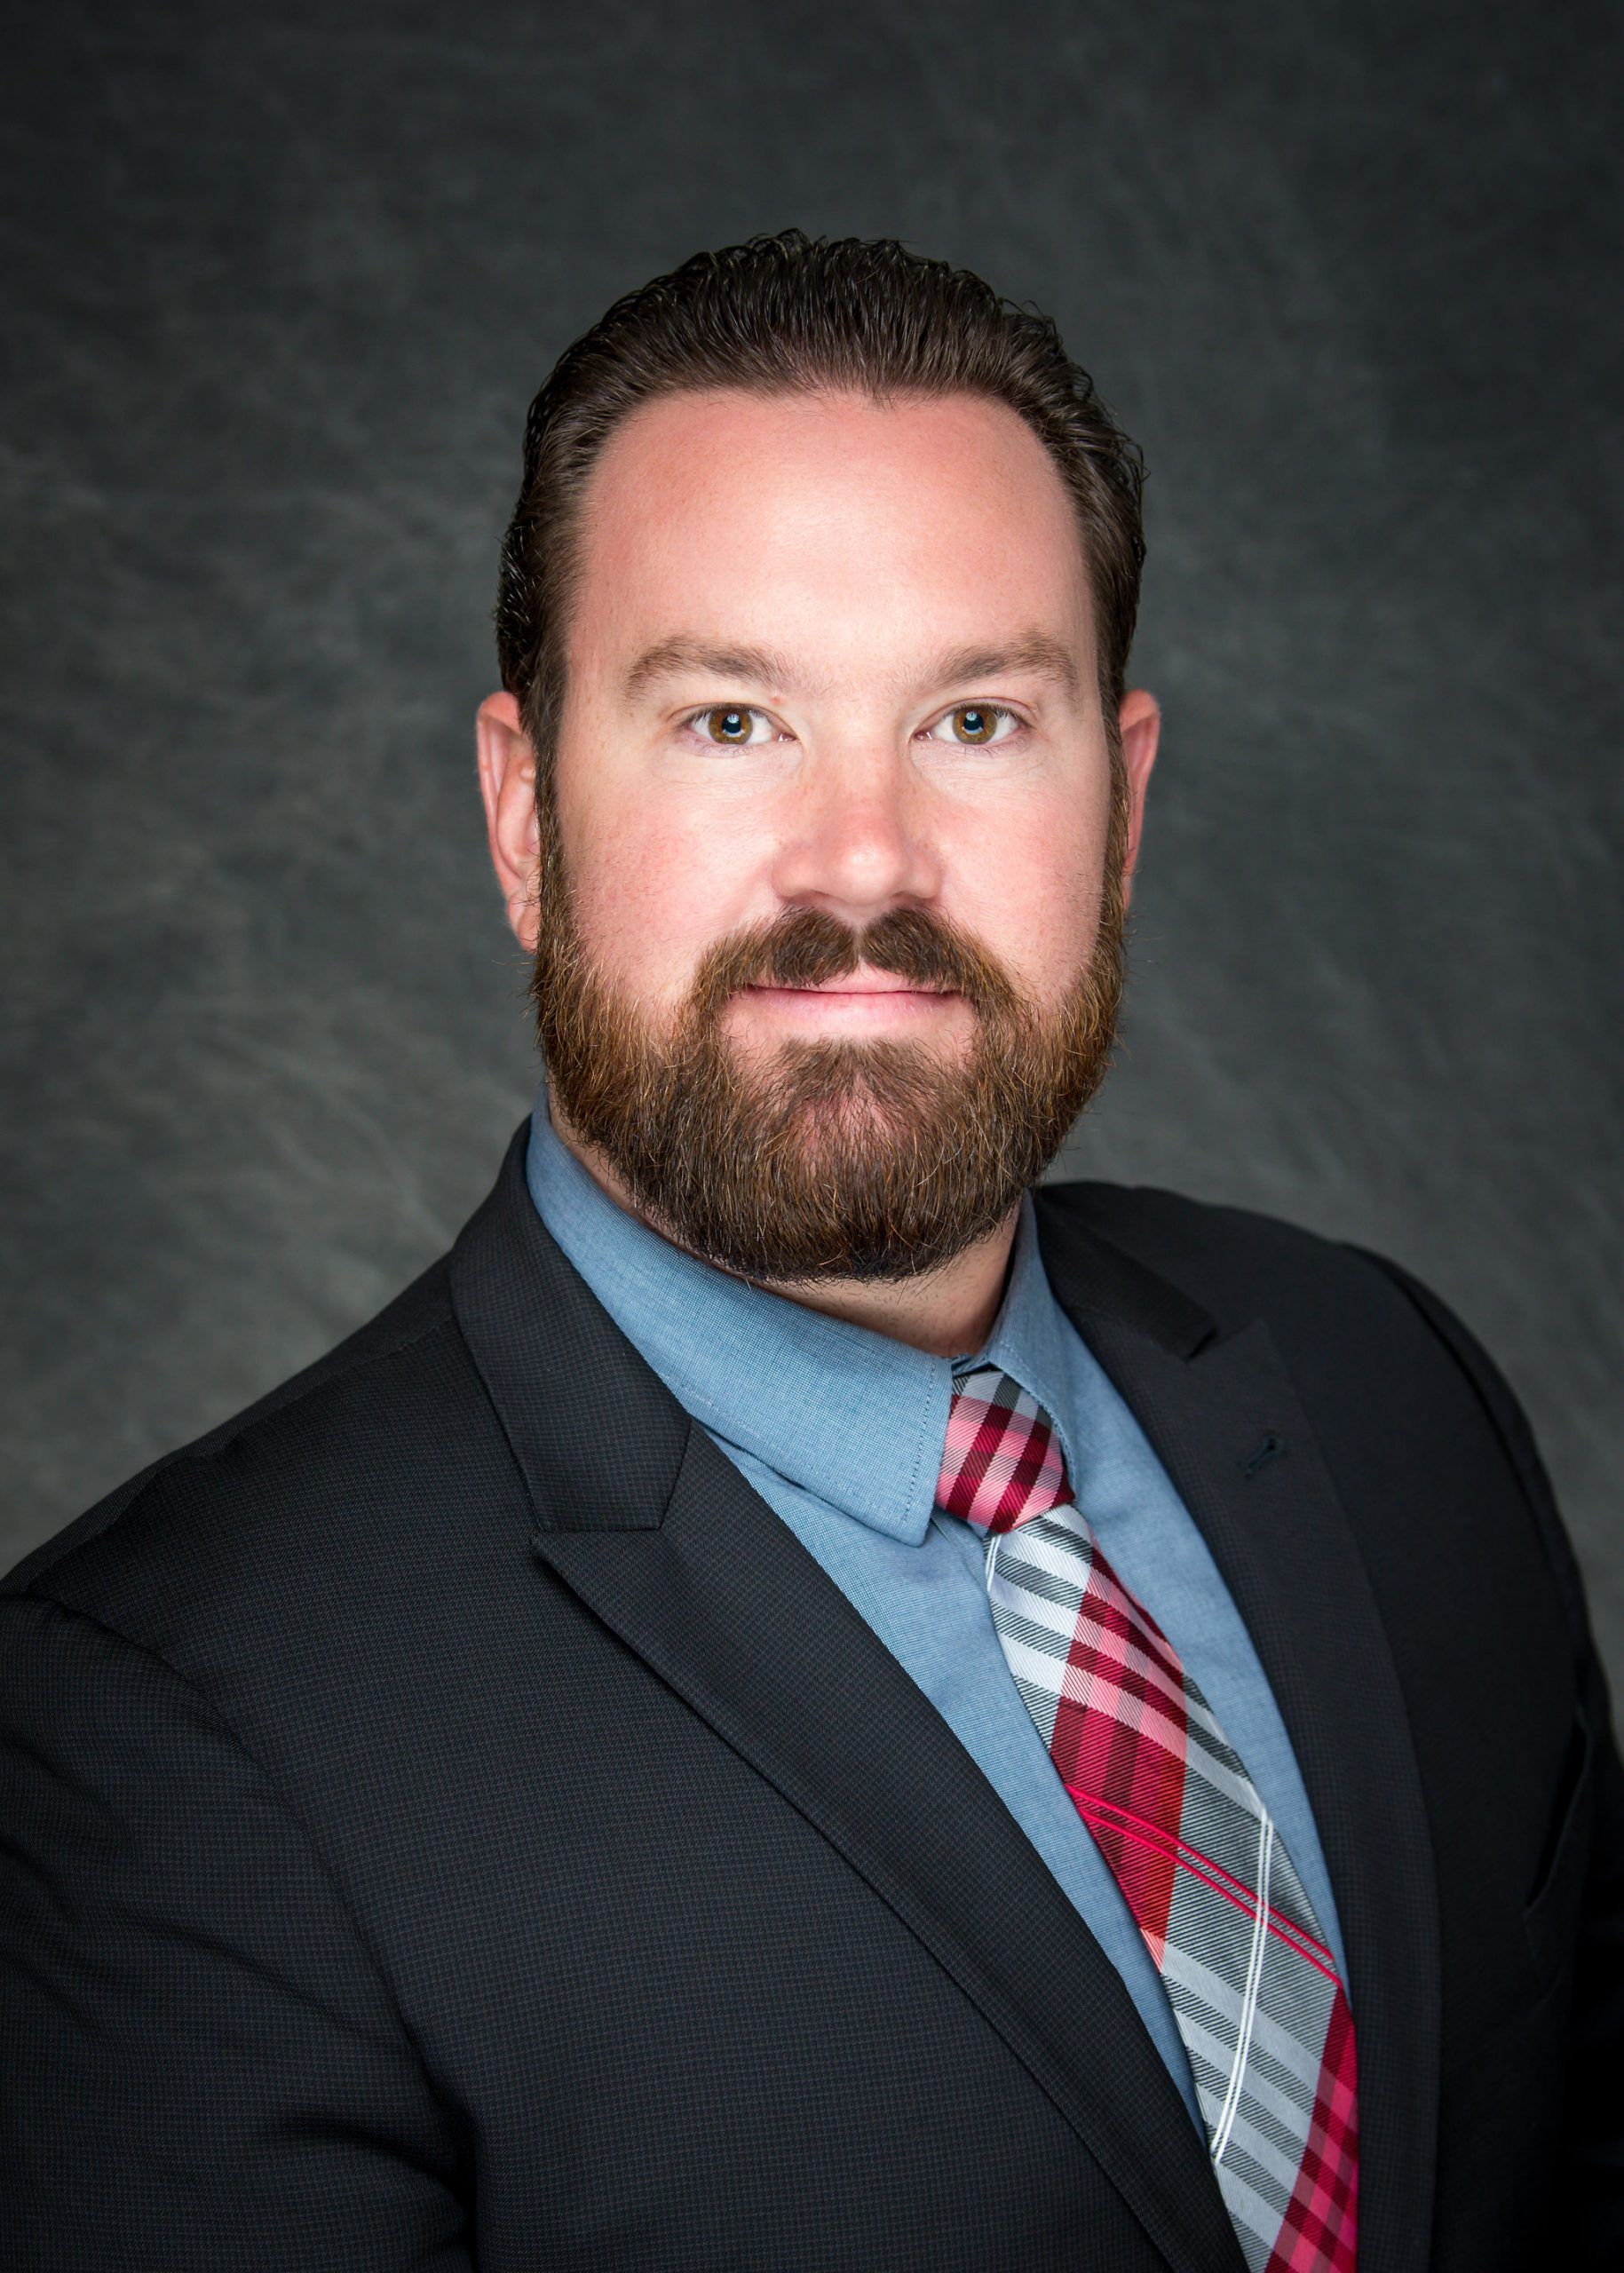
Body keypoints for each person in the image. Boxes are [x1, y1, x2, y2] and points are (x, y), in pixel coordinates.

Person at [2, 230, 1620, 2273]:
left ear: (1119, 810)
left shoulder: (1391, 1386)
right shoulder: (163, 1739)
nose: (863, 858)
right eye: (730, 721)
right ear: (523, 815)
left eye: (972, 717)